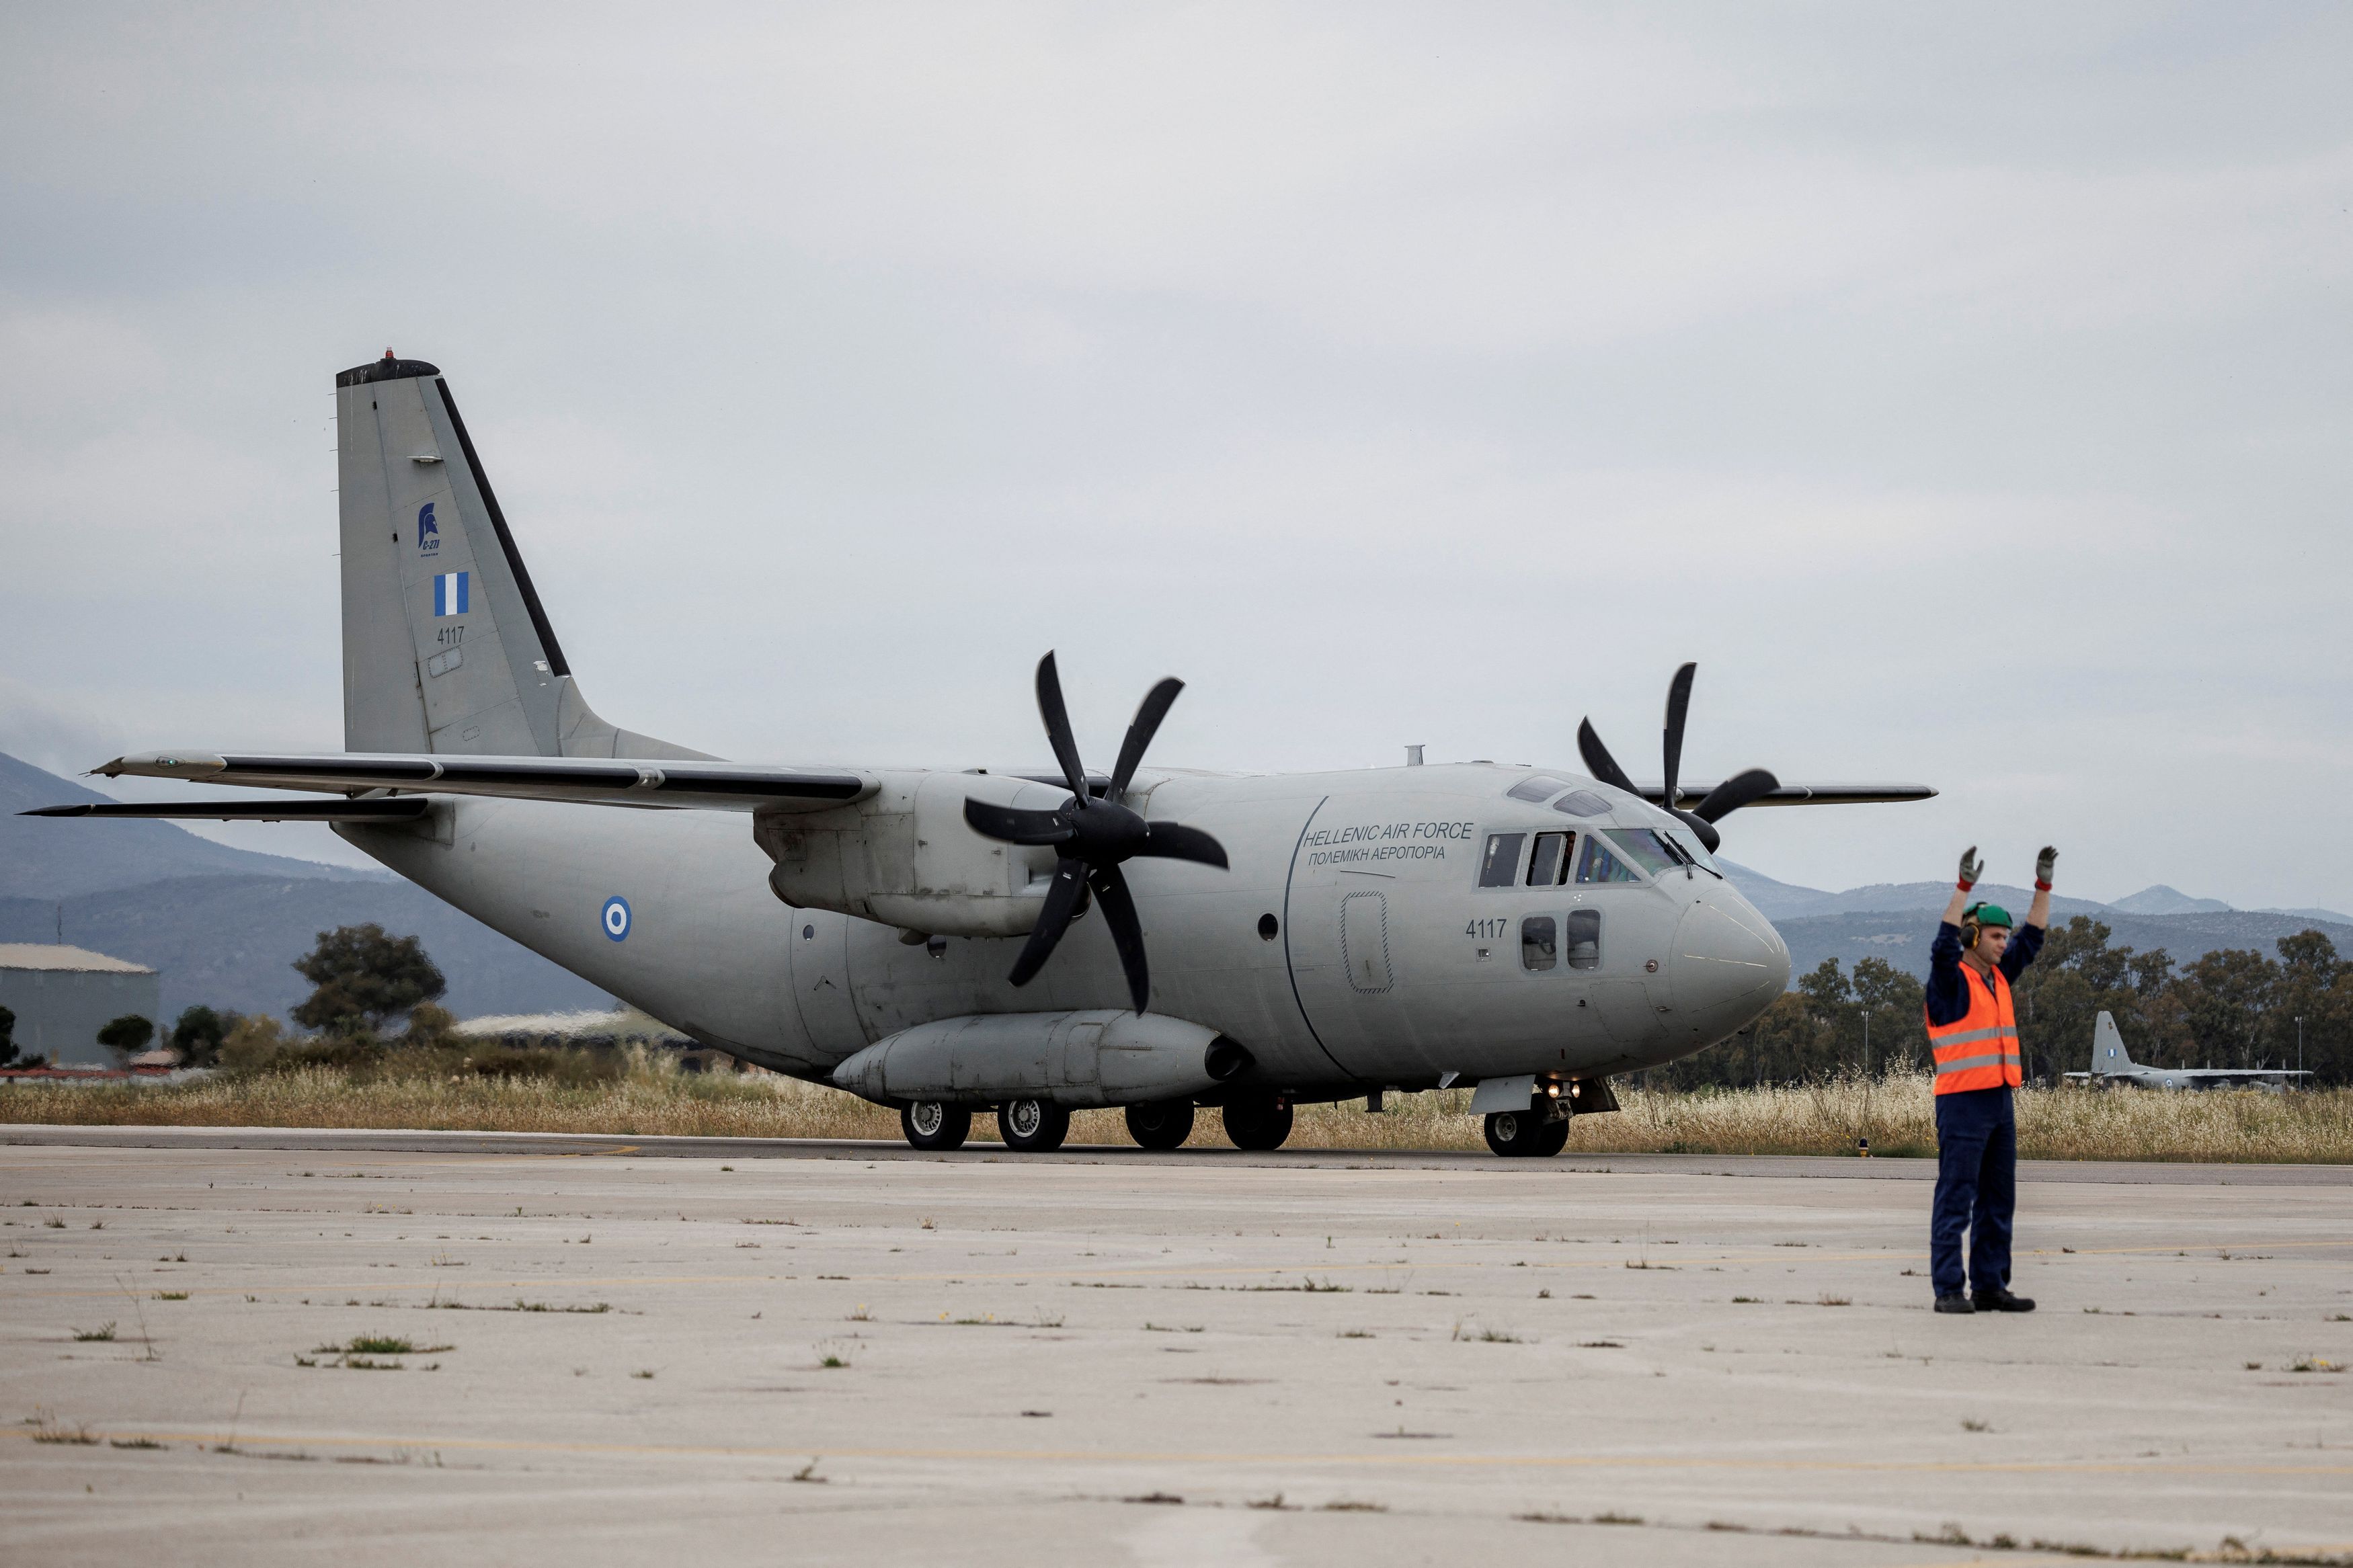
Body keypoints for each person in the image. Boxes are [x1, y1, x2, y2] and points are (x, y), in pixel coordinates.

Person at [1924, 844, 2054, 1315]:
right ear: (1972, 935)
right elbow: (1941, 946)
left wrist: (2043, 886)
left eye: (2005, 936)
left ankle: (1990, 1285)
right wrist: (1962, 889)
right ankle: (1948, 1289)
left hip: (2000, 1100)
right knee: (1957, 1196)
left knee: (2000, 1198)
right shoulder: (1951, 980)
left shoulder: (1998, 978)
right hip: (1962, 1103)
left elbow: (2033, 939)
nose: (2004, 943)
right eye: (1996, 936)